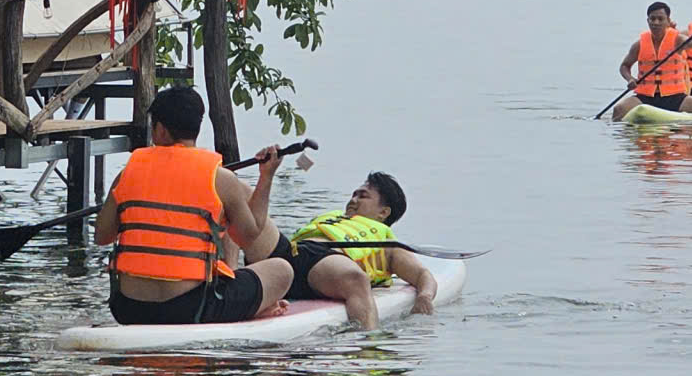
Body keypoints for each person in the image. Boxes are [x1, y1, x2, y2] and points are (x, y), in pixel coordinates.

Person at [95, 85, 294, 325]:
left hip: (129, 308)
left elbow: (102, 236)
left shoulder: (127, 173)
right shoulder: (221, 179)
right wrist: (266, 177)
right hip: (191, 308)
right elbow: (249, 237)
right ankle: (253, 309)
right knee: (282, 270)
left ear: (160, 130)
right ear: (197, 127)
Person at [240, 162, 436, 329]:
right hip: (287, 252)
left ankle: (367, 349)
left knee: (356, 279)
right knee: (241, 202)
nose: (353, 199)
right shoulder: (333, 218)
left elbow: (422, 275)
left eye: (363, 196)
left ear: (383, 213)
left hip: (324, 263)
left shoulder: (387, 242)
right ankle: (226, 280)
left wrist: (424, 297)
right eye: (354, 194)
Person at [614, 1, 692, 120]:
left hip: (674, 97)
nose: (656, 23)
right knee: (618, 109)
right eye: (653, 19)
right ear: (648, 21)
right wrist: (630, 79)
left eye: (660, 19)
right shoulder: (639, 44)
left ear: (668, 21)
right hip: (645, 96)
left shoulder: (677, 39)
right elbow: (624, 66)